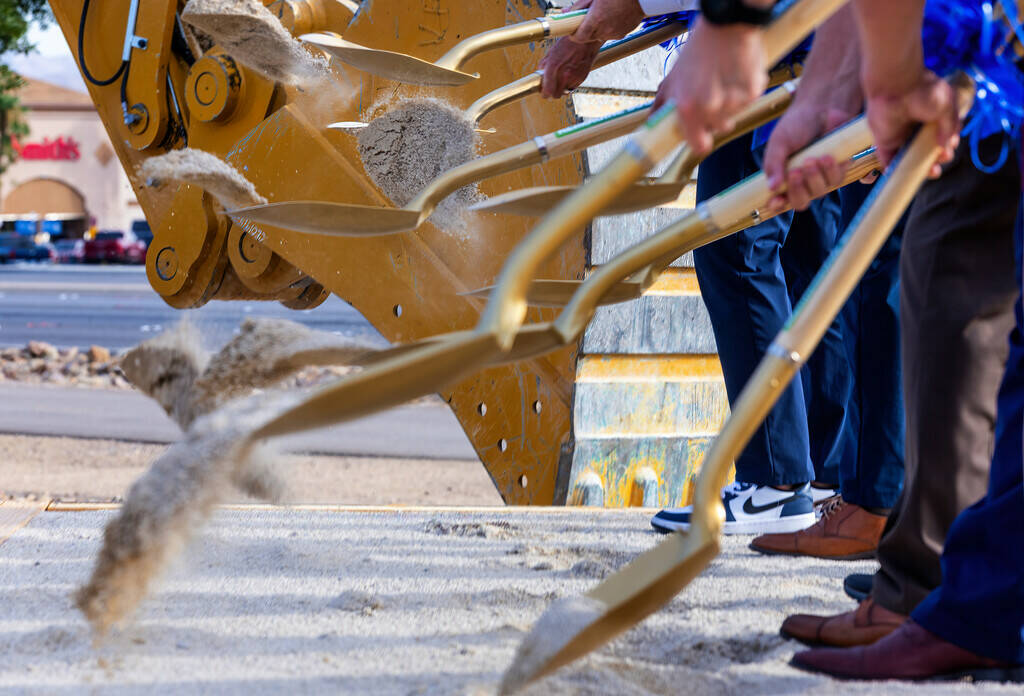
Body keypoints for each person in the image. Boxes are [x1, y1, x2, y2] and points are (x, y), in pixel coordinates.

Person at [541, 0, 905, 542]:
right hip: (825, 45)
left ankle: (776, 483)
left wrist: (617, 17)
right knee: (813, 259)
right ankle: (830, 477)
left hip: (773, 42)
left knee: (738, 252)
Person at [757, 4, 1021, 649]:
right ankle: (953, 585)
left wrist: (897, 77)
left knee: (945, 275)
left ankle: (933, 597)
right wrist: (830, 96)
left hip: (980, 59)